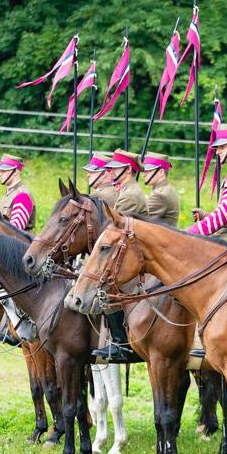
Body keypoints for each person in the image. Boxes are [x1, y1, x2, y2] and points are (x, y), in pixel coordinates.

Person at [90, 149, 147, 362]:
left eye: (115, 169)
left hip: (133, 253)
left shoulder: (131, 195)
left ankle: (121, 344)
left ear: (127, 170)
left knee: (108, 290)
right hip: (126, 250)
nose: (111, 172)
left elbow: (116, 228)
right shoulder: (125, 191)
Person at [0, 153, 36, 232]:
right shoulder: (10, 193)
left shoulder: (22, 196)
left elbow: (15, 231)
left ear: (15, 172)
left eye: (3, 171)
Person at [142, 152, 179, 227]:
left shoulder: (159, 194)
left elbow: (142, 221)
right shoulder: (165, 188)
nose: (143, 175)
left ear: (161, 172)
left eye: (148, 171)